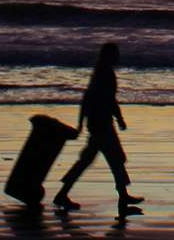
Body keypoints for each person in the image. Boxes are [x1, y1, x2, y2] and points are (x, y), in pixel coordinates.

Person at [54, 41, 144, 211]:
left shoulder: (98, 72)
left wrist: (82, 123)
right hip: (102, 125)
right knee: (114, 158)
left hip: (97, 123)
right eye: (116, 54)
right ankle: (63, 194)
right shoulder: (106, 74)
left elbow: (87, 98)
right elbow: (109, 100)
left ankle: (64, 193)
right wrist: (120, 118)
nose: (118, 57)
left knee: (101, 159)